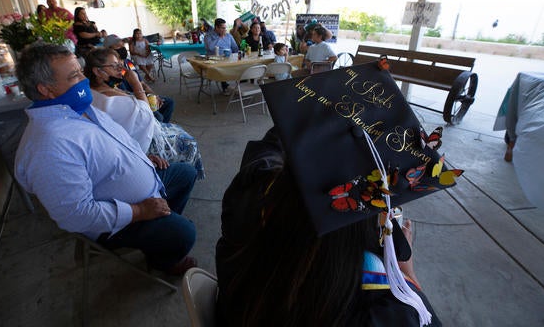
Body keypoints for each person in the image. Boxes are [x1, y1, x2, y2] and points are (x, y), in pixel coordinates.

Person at [217, 60, 452, 326]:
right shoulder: (388, 313)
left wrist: (314, 112)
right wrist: (406, 274)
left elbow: (265, 154)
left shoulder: (248, 198)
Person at [14, 43, 198, 275]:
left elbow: (113, 139)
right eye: (74, 76)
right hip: (119, 221)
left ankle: (161, 238)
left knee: (186, 174)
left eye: (81, 71)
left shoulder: (74, 108)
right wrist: (140, 211)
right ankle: (164, 257)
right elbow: (78, 216)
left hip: (144, 192)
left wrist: (141, 157)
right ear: (46, 90)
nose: (83, 79)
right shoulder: (48, 146)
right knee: (186, 234)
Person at [84, 48, 205, 180]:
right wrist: (135, 83)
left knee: (168, 113)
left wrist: (148, 92)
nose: (121, 69)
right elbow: (146, 114)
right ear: (98, 71)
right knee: (189, 142)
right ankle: (183, 178)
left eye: (120, 64)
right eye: (114, 66)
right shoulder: (109, 100)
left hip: (134, 136)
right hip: (142, 146)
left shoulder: (97, 90)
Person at [104, 34, 175, 123]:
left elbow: (142, 83)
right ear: (108, 50)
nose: (122, 48)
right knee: (158, 117)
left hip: (141, 96)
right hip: (130, 103)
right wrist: (143, 101)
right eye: (118, 46)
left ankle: (162, 130)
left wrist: (153, 95)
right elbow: (117, 95)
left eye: (123, 46)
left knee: (168, 103)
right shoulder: (109, 70)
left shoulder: (128, 63)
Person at [204, 18, 239, 93]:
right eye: (223, 28)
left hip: (229, 58)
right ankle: (225, 86)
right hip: (215, 60)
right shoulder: (208, 36)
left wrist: (237, 55)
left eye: (225, 28)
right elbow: (210, 48)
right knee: (222, 67)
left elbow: (235, 48)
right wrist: (219, 38)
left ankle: (241, 85)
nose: (225, 30)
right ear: (216, 27)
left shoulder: (228, 36)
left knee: (242, 65)